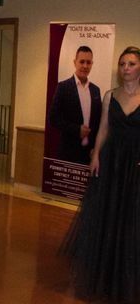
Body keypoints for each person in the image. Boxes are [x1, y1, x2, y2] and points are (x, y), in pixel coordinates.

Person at [61, 46, 140, 302]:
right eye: (122, 64)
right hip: (111, 161)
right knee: (108, 215)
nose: (125, 69)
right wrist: (95, 155)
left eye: (131, 64)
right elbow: (103, 129)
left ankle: (126, 273)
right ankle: (105, 271)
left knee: (130, 217)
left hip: (135, 163)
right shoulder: (109, 96)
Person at [49, 46, 101, 164]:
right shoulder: (63, 87)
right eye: (82, 61)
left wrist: (95, 149)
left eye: (88, 62)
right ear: (75, 62)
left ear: (92, 64)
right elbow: (53, 118)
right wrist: (77, 130)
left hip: (89, 154)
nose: (85, 66)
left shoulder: (95, 90)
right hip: (68, 152)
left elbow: (98, 122)